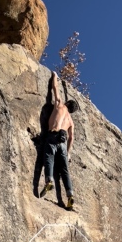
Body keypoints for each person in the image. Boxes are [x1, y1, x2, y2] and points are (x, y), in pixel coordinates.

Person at [40, 71, 79, 209]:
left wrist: (55, 76)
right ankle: (70, 195)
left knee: (48, 157)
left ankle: (48, 180)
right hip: (63, 143)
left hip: (53, 135)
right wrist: (68, 153)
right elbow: (72, 137)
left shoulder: (60, 105)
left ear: (67, 103)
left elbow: (55, 88)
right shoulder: (71, 121)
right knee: (64, 170)